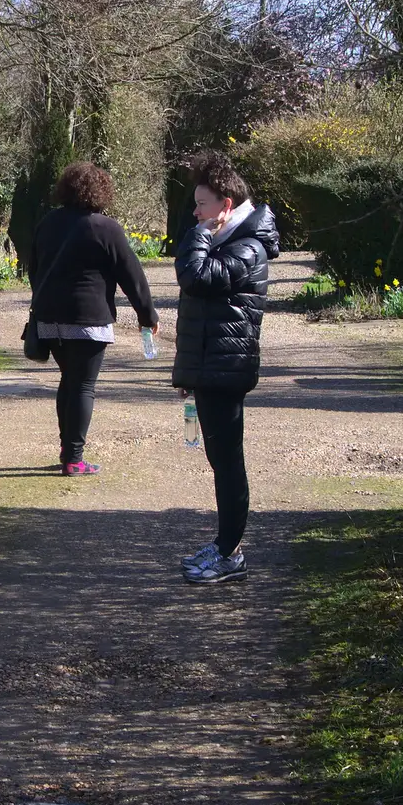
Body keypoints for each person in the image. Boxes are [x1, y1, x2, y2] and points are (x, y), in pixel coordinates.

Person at [171, 150, 280, 585]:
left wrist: (197, 234)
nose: (195, 212)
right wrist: (187, 374)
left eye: (202, 204)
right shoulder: (224, 239)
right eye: (196, 205)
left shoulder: (247, 248)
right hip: (210, 369)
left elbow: (194, 277)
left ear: (226, 206)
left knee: (228, 462)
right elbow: (198, 309)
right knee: (220, 459)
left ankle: (231, 553)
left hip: (227, 370)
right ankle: (223, 545)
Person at [28, 161, 159, 475]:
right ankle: (73, 458)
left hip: (49, 318)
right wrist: (147, 315)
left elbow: (34, 268)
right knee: (83, 385)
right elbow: (132, 275)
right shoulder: (105, 227)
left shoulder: (48, 223)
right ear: (101, 191)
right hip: (88, 320)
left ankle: (67, 449)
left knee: (69, 381)